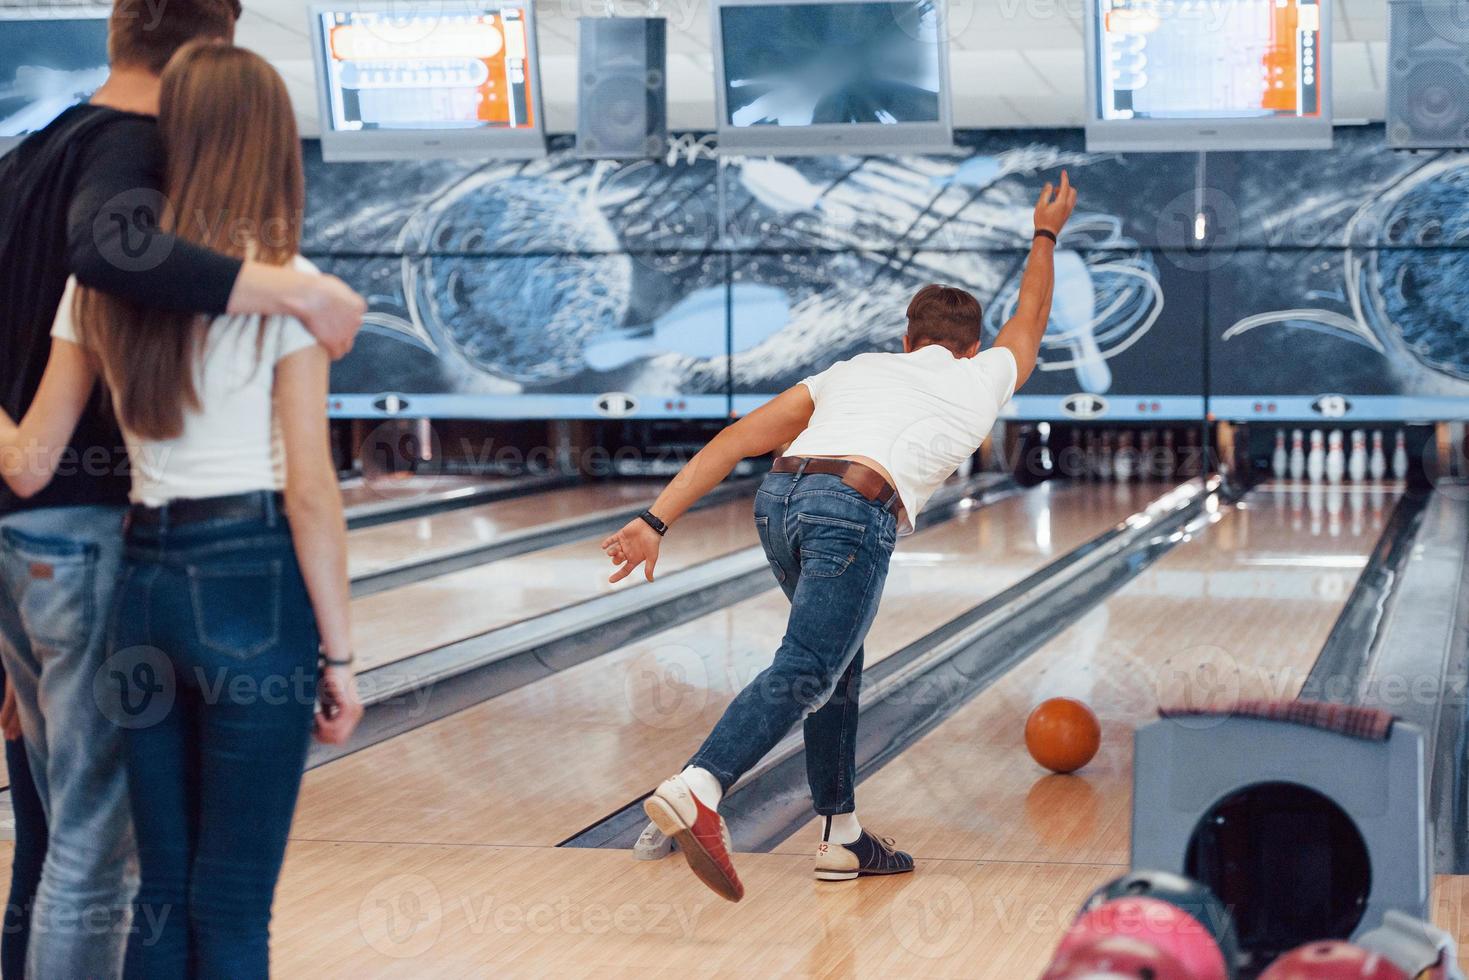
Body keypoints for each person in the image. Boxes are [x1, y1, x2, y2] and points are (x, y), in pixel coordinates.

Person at [0, 1, 365, 974]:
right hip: (250, 579)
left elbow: (30, 456)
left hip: (141, 584)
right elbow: (312, 494)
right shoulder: (290, 284)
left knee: (156, 892)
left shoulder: (101, 289)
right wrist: (340, 655)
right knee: (234, 901)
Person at [602, 173, 1078, 902]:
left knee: (835, 665)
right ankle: (698, 786)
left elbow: (735, 440)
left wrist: (654, 519)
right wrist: (1044, 232)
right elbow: (1034, 313)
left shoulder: (854, 368)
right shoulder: (988, 374)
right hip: (853, 509)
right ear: (973, 345)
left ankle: (841, 835)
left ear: (906, 338)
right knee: (809, 667)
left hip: (780, 500)